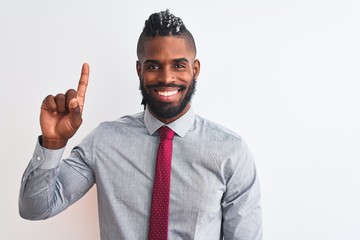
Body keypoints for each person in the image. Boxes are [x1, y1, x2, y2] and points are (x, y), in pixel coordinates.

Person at [19, 9, 262, 240]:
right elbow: (35, 208)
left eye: (179, 65)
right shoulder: (104, 141)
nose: (167, 78)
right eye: (154, 66)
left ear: (195, 69)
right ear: (139, 70)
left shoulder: (231, 153)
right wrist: (52, 144)